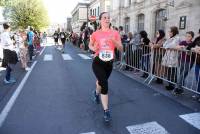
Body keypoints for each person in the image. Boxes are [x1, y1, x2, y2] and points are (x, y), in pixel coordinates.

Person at [89, 12, 123, 122]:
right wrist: (93, 48)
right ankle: (106, 111)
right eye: (105, 18)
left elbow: (121, 48)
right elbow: (90, 45)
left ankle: (96, 93)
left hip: (109, 63)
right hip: (98, 61)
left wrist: (115, 42)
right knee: (104, 84)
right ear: (100, 20)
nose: (107, 19)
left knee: (100, 82)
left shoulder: (115, 33)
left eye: (108, 18)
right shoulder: (95, 33)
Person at [162, 26, 181, 90]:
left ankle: (172, 85)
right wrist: (168, 46)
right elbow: (164, 45)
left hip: (174, 56)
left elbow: (172, 45)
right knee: (169, 71)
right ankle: (169, 83)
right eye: (169, 32)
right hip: (168, 56)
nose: (169, 33)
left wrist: (169, 46)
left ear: (174, 32)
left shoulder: (177, 38)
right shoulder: (170, 38)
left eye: (170, 32)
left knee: (173, 71)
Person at [187, 29, 200, 101]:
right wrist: (194, 49)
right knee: (198, 79)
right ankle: (198, 94)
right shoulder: (197, 39)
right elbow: (189, 47)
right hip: (198, 62)